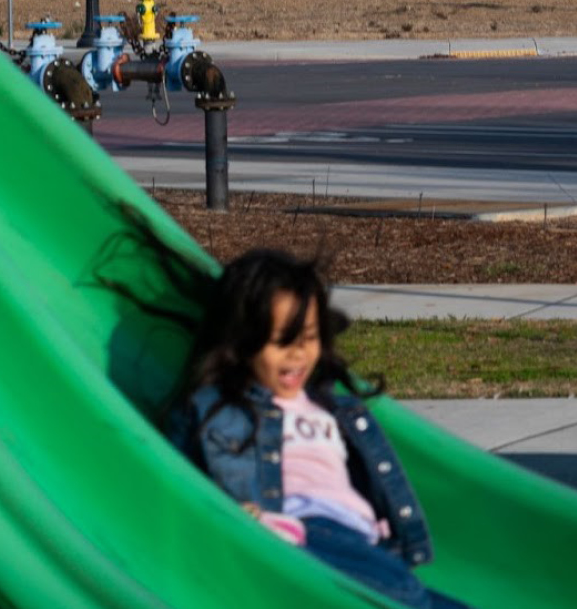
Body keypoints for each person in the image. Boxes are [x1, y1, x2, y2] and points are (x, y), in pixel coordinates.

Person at [165, 249, 468, 609]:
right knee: (403, 595)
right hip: (296, 532)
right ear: (241, 341)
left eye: (307, 338)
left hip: (360, 540)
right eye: (282, 342)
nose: (297, 355)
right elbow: (173, 469)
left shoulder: (334, 409)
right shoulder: (221, 407)